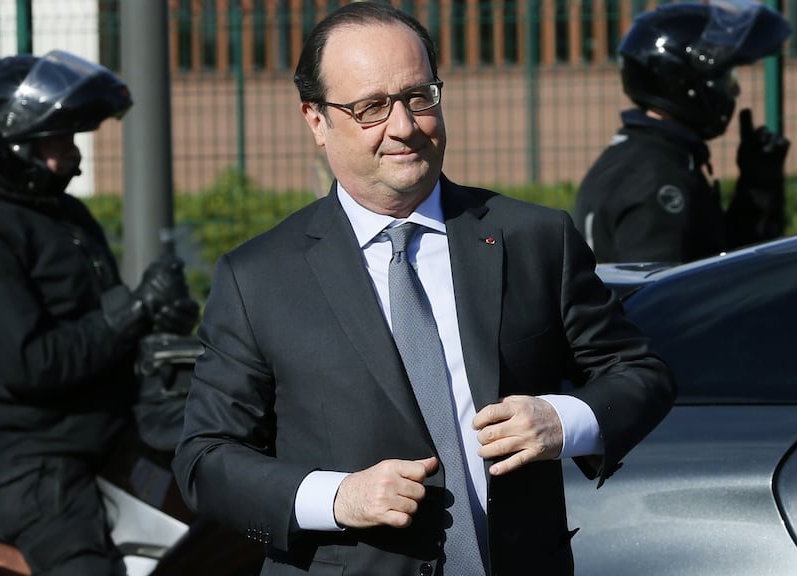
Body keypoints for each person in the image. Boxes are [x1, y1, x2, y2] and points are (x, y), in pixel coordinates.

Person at [172, 3, 676, 575]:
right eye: (370, 108)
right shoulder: (259, 277)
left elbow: (641, 374)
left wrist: (564, 420)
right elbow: (205, 459)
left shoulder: (532, 238)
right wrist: (337, 498)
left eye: (419, 97)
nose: (404, 127)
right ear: (316, 120)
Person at [0, 50, 199, 575]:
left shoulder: (59, 212)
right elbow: (34, 361)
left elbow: (98, 319)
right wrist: (134, 312)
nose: (73, 157)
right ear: (7, 146)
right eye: (57, 142)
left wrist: (161, 319)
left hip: (108, 424)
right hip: (30, 459)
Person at [573, 0, 793, 264]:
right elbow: (667, 298)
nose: (735, 91)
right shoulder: (656, 179)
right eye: (726, 77)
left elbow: (720, 264)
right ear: (686, 82)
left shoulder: (642, 155)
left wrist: (759, 186)